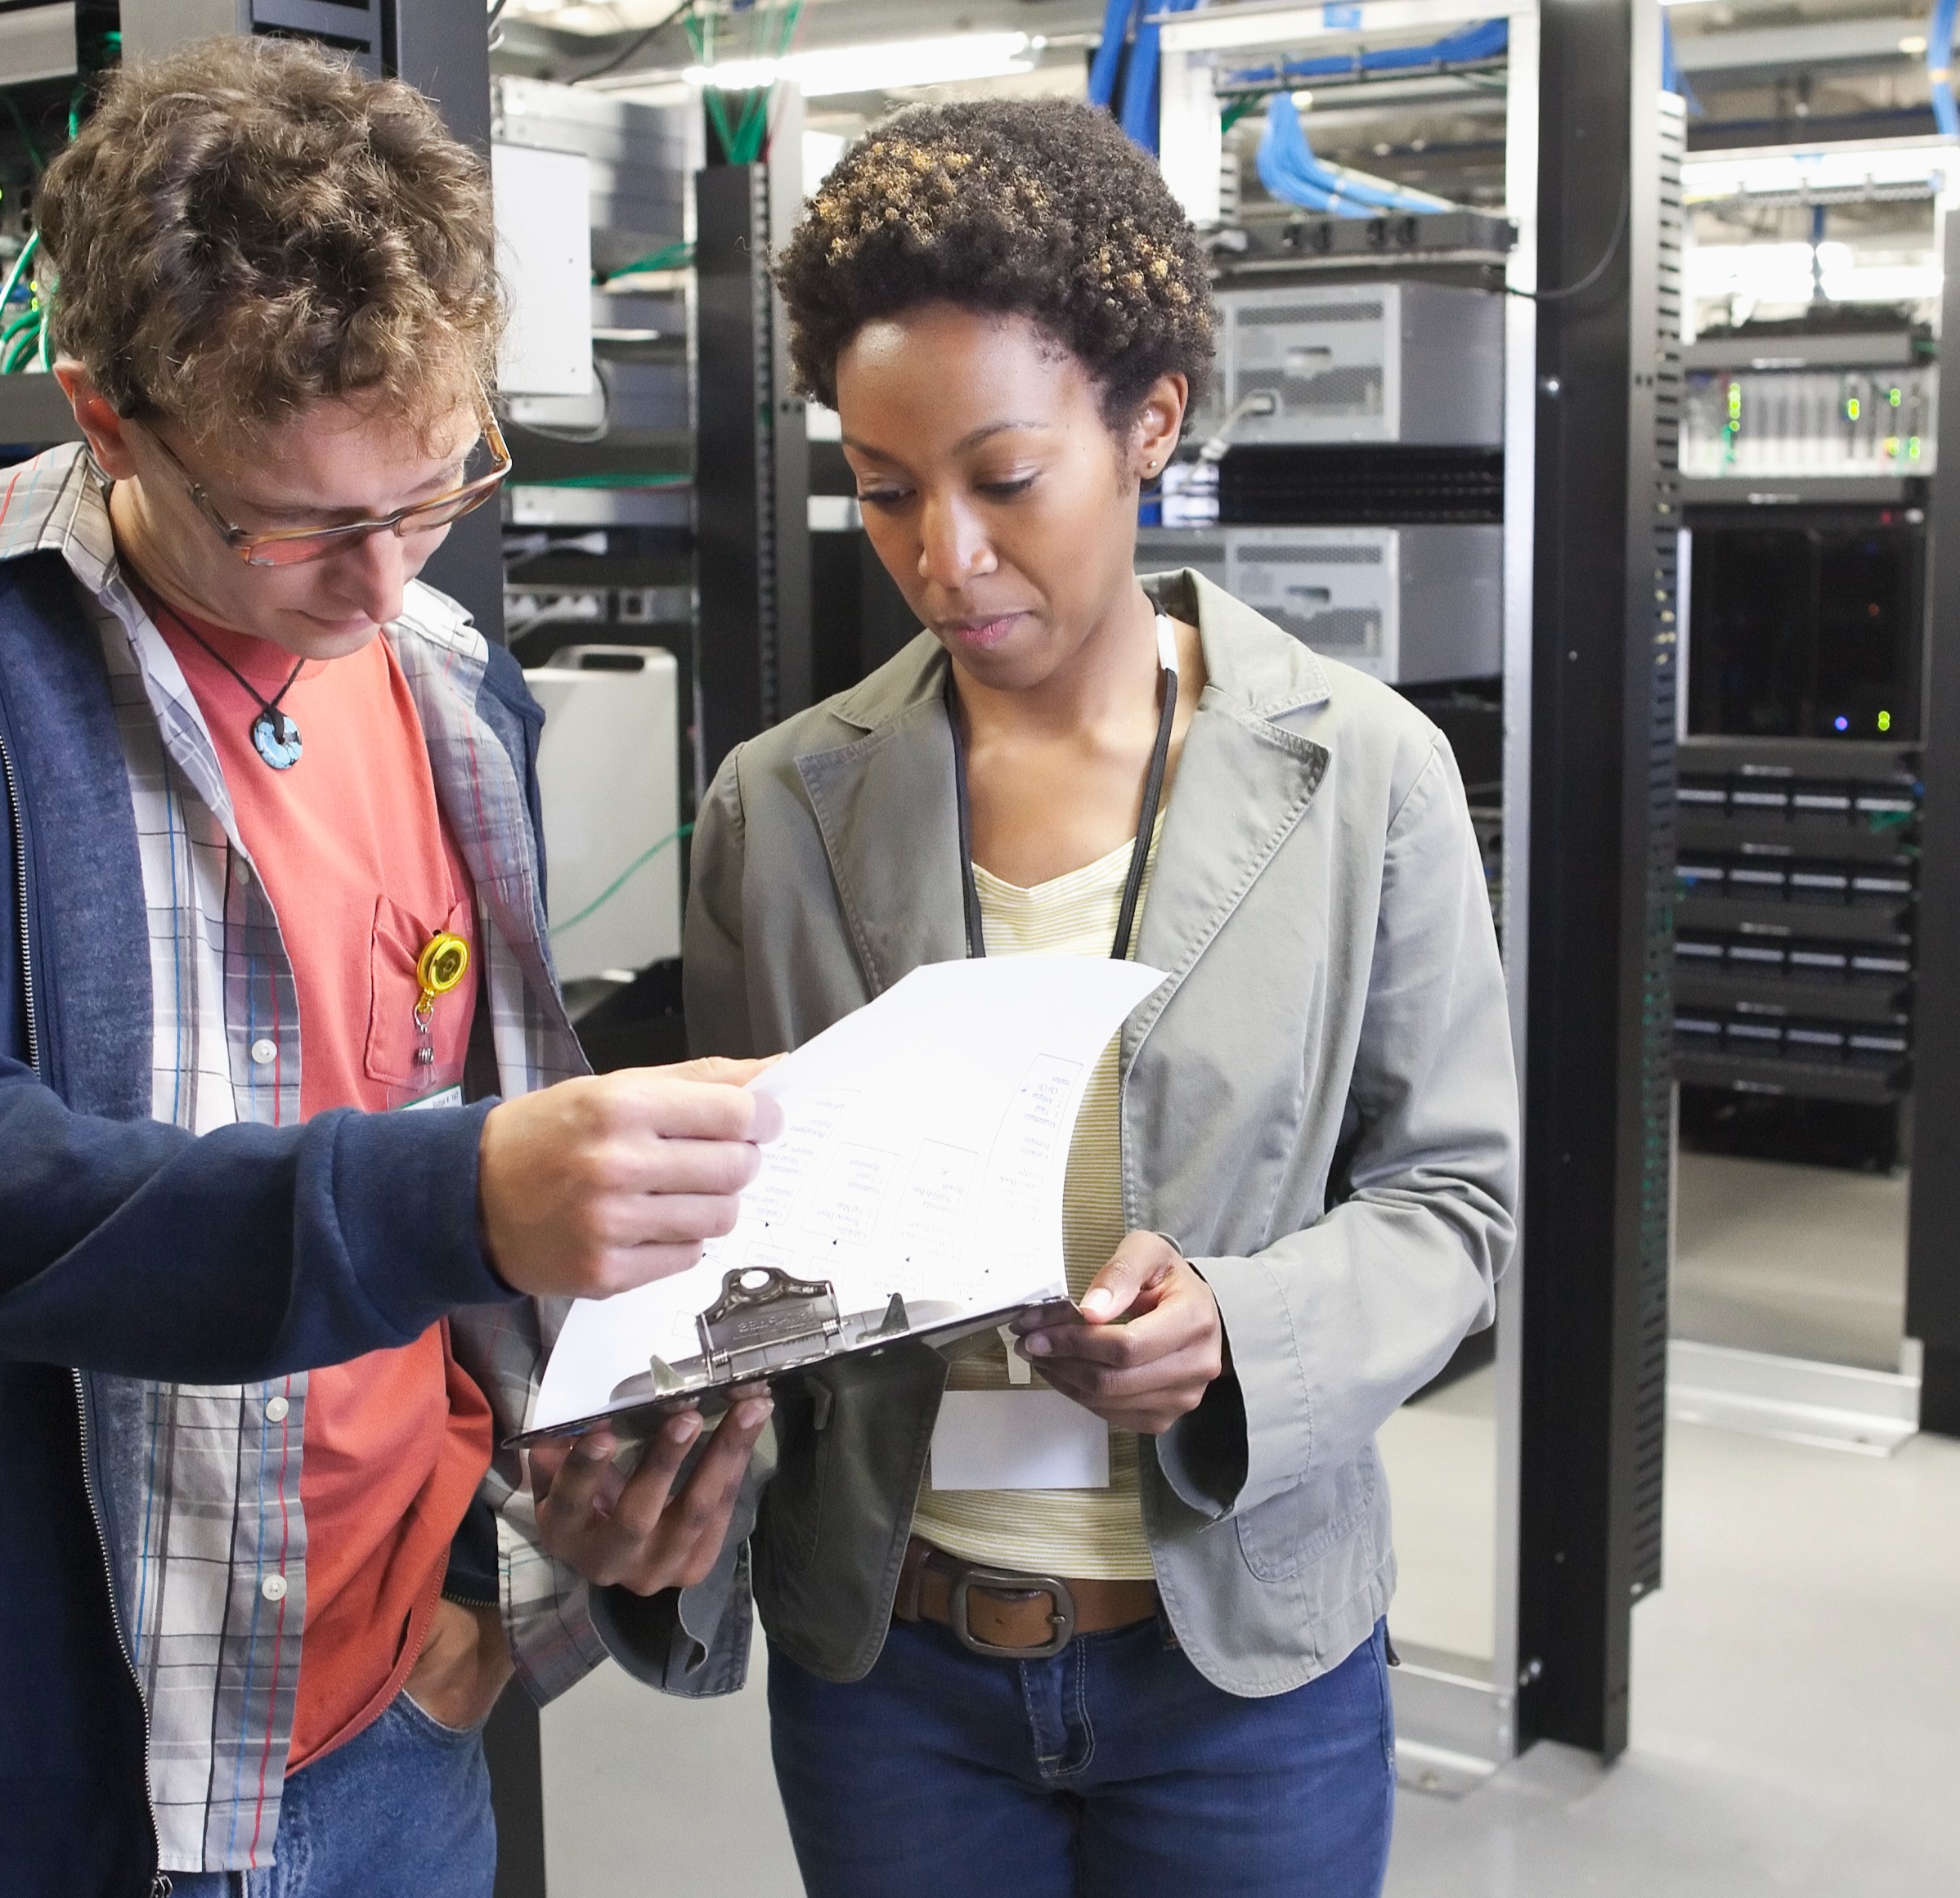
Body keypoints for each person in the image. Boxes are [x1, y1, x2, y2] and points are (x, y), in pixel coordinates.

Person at [0, 40, 774, 1897]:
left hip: (389, 1741)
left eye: (434, 488)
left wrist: (556, 1541)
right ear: (106, 422)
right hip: (28, 1788)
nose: (380, 582)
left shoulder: (443, 685)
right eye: (303, 523)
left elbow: (466, 1249)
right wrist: (470, 1193)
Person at [591, 97, 1518, 1896]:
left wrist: (1237, 1331)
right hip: (897, 1680)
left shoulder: (1366, 773)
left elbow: (1458, 1207)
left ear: (1148, 423)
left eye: (1004, 479)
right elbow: (734, 1251)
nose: (943, 553)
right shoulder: (775, 808)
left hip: (1241, 1667)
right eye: (880, 487)